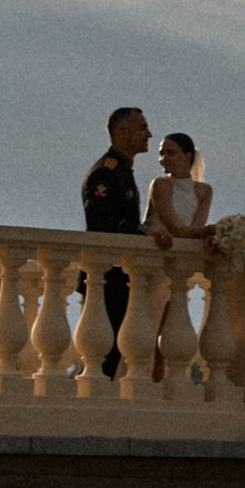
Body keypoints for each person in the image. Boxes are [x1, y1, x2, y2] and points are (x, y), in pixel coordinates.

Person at [81, 105, 147, 377]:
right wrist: (142, 232)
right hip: (107, 278)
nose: (149, 134)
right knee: (103, 361)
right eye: (142, 127)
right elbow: (101, 223)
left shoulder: (122, 170)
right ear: (123, 132)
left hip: (122, 278)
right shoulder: (104, 173)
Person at [145, 130, 212, 254]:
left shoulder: (204, 191)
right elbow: (176, 229)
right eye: (161, 153)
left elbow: (195, 230)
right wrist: (213, 230)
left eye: (170, 153)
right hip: (158, 252)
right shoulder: (160, 184)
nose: (163, 159)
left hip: (183, 254)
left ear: (187, 156)